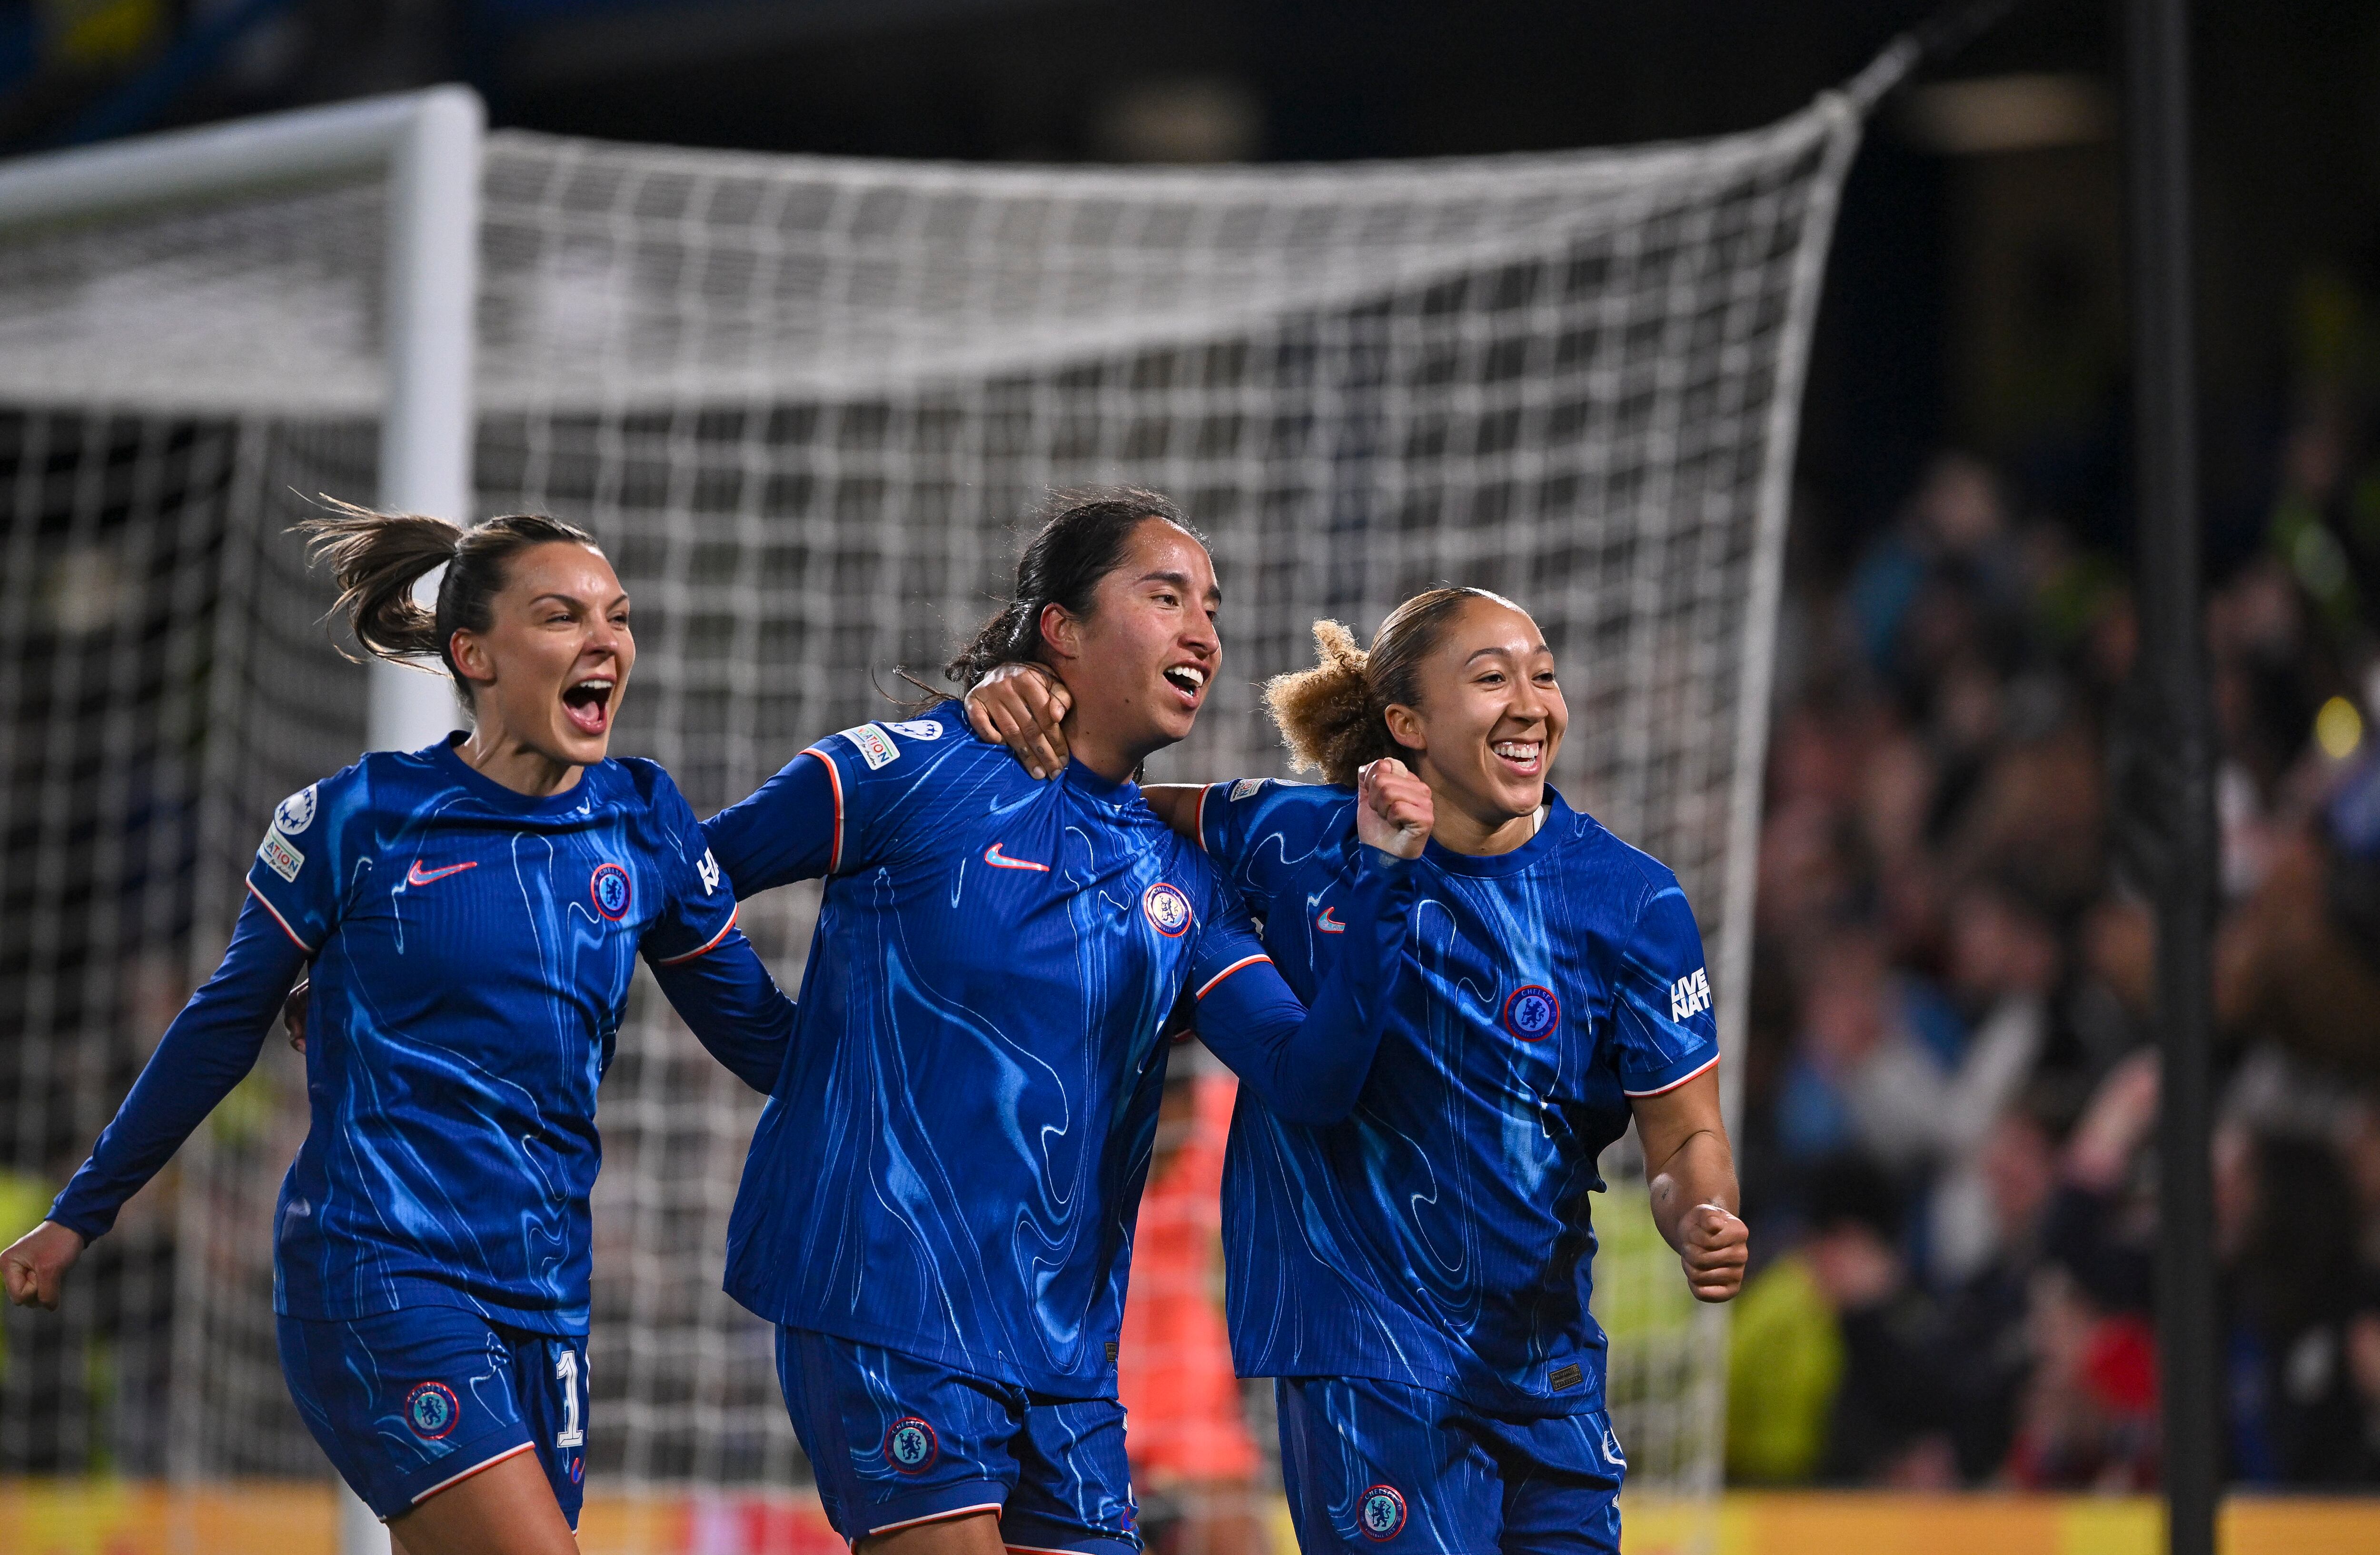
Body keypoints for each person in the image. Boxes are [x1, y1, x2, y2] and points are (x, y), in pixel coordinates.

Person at [1, 502, 798, 1555]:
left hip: (546, 1288)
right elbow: (222, 1020)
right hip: (378, 1264)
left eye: (618, 614)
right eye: (562, 615)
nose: (605, 639)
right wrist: (80, 1212)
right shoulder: (360, 817)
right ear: (474, 652)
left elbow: (766, 1042)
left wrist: (941, 1013)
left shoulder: (643, 818)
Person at [699, 489, 1433, 1555]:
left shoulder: (1183, 880)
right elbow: (684, 878)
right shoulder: (909, 772)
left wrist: (1381, 882)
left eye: (1212, 608)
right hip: (887, 1305)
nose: (1203, 631)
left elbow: (1306, 1076)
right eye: (1164, 594)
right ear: (1063, 627)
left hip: (1068, 1362)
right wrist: (772, 1042)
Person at [968, 587, 1749, 1554]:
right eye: (1491, 676)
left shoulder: (1633, 901)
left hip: (1543, 1367)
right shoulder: (1295, 837)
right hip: (1363, 1351)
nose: (1530, 700)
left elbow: (1685, 1134)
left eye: (1542, 673)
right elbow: (1103, 799)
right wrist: (1013, 695)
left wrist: (1699, 1211)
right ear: (1405, 723)